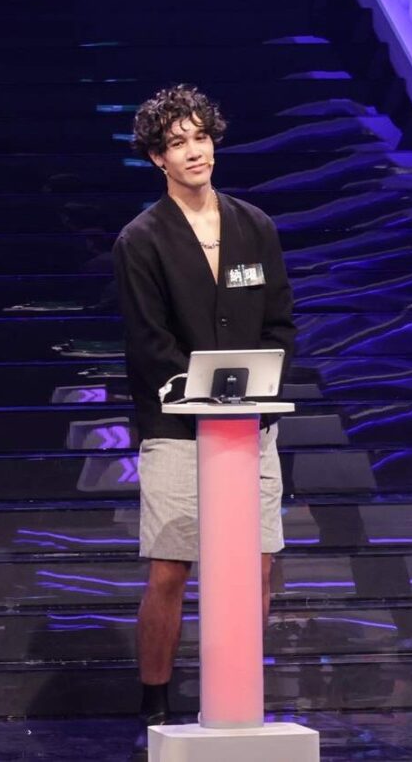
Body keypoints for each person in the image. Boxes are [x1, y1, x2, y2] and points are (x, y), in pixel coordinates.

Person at [111, 85, 296, 728]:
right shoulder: (141, 239)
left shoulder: (255, 226)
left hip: (251, 428)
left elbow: (279, 323)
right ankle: (155, 702)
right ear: (157, 158)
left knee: (258, 565)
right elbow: (148, 339)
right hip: (176, 430)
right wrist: (202, 392)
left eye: (201, 137)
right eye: (177, 143)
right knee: (170, 570)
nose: (194, 151)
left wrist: (254, 389)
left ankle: (238, 687)